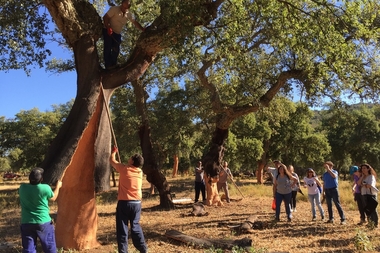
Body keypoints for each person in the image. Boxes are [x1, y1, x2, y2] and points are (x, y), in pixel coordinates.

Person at [110, 146, 148, 253]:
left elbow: (112, 161)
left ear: (132, 161)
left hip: (124, 203)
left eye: (131, 157)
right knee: (135, 226)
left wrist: (114, 151)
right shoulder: (139, 172)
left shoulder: (124, 169)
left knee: (122, 228)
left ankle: (123, 251)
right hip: (136, 203)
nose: (129, 158)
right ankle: (143, 248)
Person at [19, 168, 63, 253]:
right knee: (49, 248)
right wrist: (58, 186)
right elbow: (53, 197)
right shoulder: (45, 188)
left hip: (26, 222)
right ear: (41, 179)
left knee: (28, 249)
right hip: (43, 222)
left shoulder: (22, 188)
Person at [103, 0, 145, 69]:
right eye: (123, 6)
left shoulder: (128, 14)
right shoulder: (114, 9)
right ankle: (108, 66)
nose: (124, 9)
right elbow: (105, 17)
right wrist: (108, 27)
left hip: (117, 33)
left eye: (126, 7)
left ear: (128, 7)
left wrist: (142, 29)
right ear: (121, 4)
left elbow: (135, 22)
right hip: (108, 30)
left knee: (116, 49)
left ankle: (113, 65)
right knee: (107, 47)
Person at [358, 163, 378, 227]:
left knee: (373, 209)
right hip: (364, 194)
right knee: (367, 210)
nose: (363, 169)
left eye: (364, 168)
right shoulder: (363, 177)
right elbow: (358, 183)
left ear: (368, 169)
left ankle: (375, 223)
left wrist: (363, 185)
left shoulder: (371, 176)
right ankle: (370, 223)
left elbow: (370, 186)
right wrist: (362, 177)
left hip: (371, 194)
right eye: (362, 168)